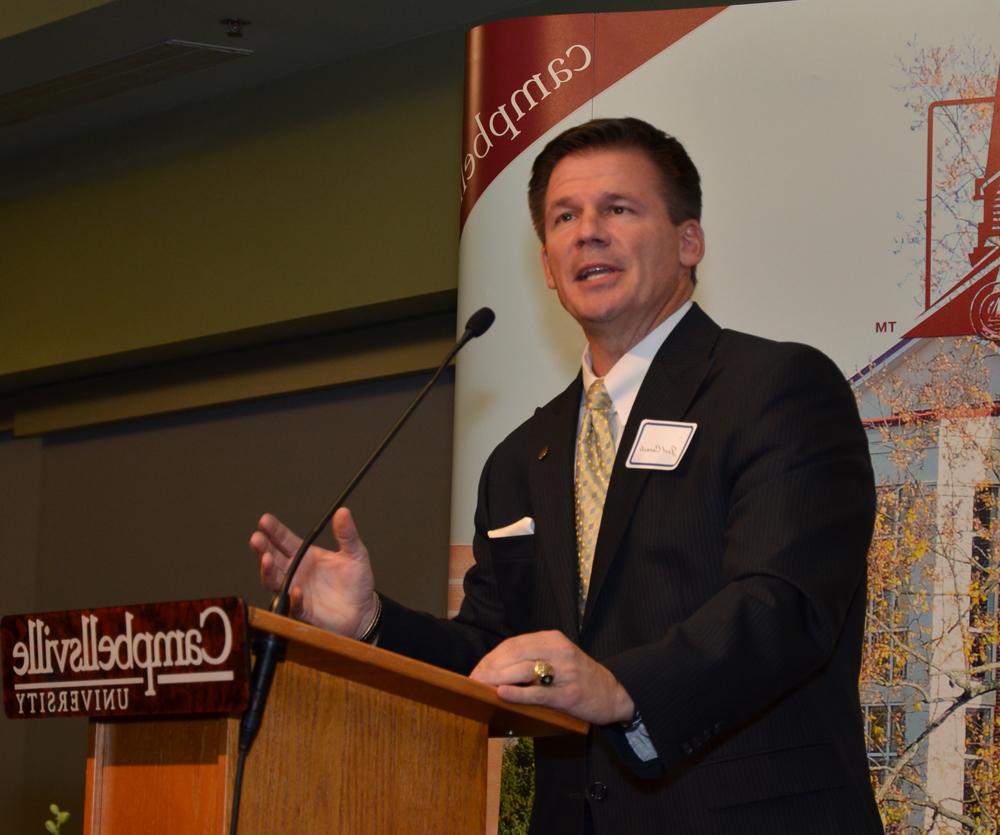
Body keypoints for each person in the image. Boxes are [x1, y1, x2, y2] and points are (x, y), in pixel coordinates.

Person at [251, 117, 884, 834]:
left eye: (618, 208)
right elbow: (493, 654)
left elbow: (782, 607)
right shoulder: (522, 457)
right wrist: (370, 623)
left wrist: (622, 687)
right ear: (548, 267)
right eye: (564, 217)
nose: (588, 231)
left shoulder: (774, 388)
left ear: (688, 241)